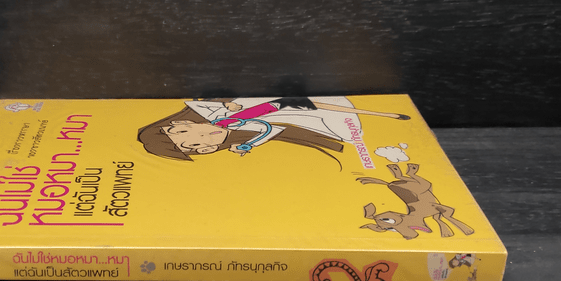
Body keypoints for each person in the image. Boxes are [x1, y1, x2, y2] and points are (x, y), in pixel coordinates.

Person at [137, 96, 408, 163]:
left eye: (183, 135)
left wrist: (228, 107)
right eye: (194, 149)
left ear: (180, 123)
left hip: (279, 106)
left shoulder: (217, 114)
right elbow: (269, 130)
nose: (202, 143)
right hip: (286, 114)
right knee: (347, 134)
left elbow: (265, 115)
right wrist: (249, 144)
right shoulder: (236, 131)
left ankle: (382, 114)